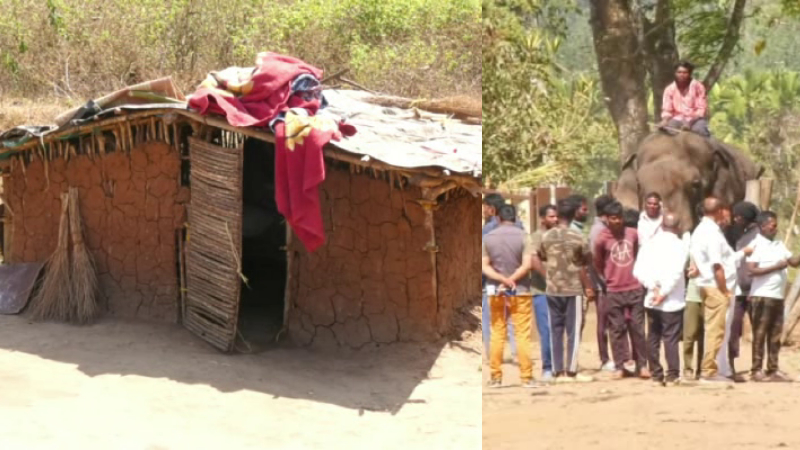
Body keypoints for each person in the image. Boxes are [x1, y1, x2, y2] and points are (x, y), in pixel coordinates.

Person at [690, 197, 752, 382]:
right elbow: (718, 266)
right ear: (718, 211)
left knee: (720, 330)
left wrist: (742, 253)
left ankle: (721, 370)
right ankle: (708, 372)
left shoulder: (704, 230)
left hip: (713, 285)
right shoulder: (710, 233)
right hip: (716, 287)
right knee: (715, 331)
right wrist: (724, 290)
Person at [538, 199, 595, 383]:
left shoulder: (546, 236)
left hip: (553, 289)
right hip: (573, 289)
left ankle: (557, 371)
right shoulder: (578, 236)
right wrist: (588, 286)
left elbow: (542, 255)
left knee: (555, 330)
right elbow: (586, 260)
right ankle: (570, 371)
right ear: (572, 216)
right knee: (573, 331)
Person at [482, 205, 537, 388]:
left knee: (497, 333)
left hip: (496, 291)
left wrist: (501, 279)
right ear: (515, 217)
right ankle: (526, 378)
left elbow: (484, 266)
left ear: (497, 218)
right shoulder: (524, 236)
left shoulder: (488, 238)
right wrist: (511, 279)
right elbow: (527, 264)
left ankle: (496, 378)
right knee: (522, 335)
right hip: (520, 290)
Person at [594, 201, 649, 379]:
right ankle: (619, 366)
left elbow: (637, 256)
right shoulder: (602, 238)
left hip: (634, 287)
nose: (617, 221)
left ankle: (642, 365)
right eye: (613, 218)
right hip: (613, 289)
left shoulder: (632, 234)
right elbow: (598, 263)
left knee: (638, 328)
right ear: (607, 219)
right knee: (616, 329)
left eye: (619, 218)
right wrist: (608, 281)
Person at [633, 213, 688, 386]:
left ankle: (656, 375)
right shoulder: (681, 246)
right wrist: (662, 293)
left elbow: (637, 271)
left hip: (652, 299)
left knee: (653, 337)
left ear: (662, 226)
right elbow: (676, 273)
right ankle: (672, 375)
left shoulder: (649, 244)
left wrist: (653, 288)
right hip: (671, 301)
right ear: (677, 227)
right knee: (670, 338)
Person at [746, 211, 800, 382]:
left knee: (775, 335)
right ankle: (756, 370)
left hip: (777, 296)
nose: (775, 228)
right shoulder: (756, 245)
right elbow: (751, 270)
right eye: (773, 225)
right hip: (762, 296)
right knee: (760, 334)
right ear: (763, 226)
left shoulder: (778, 244)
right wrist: (776, 267)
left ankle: (773, 369)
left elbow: (792, 262)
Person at [482, 194, 524, 359]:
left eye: (485, 208)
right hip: (516, 279)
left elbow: (484, 258)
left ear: (492, 209)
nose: (484, 212)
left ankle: (492, 354)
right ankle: (516, 353)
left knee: (491, 319)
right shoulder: (520, 228)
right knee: (515, 318)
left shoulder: (488, 231)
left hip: (493, 280)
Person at [728, 201, 761, 379]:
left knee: (759, 328)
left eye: (738, 216)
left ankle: (758, 367)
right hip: (738, 289)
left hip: (753, 289)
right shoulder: (739, 233)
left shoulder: (757, 236)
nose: (735, 219)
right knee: (734, 329)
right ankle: (730, 365)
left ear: (746, 218)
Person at [530, 204, 558, 382]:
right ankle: (547, 368)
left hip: (561, 291)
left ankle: (560, 366)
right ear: (542, 219)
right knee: (546, 330)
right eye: (551, 217)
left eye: (556, 217)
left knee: (559, 329)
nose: (555, 220)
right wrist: (550, 279)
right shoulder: (535, 237)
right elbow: (533, 261)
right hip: (541, 291)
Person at [590, 195, 617, 372]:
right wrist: (604, 281)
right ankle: (605, 358)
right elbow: (594, 259)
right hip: (603, 284)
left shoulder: (603, 229)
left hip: (608, 282)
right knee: (604, 322)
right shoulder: (598, 232)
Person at [658, 61, 710, 137]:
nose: (681, 75)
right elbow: (667, 110)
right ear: (675, 73)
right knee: (663, 135)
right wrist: (664, 121)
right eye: (679, 72)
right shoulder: (669, 89)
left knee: (701, 132)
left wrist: (689, 123)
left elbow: (701, 109)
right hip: (677, 119)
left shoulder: (698, 87)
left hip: (695, 120)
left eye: (685, 72)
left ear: (689, 74)